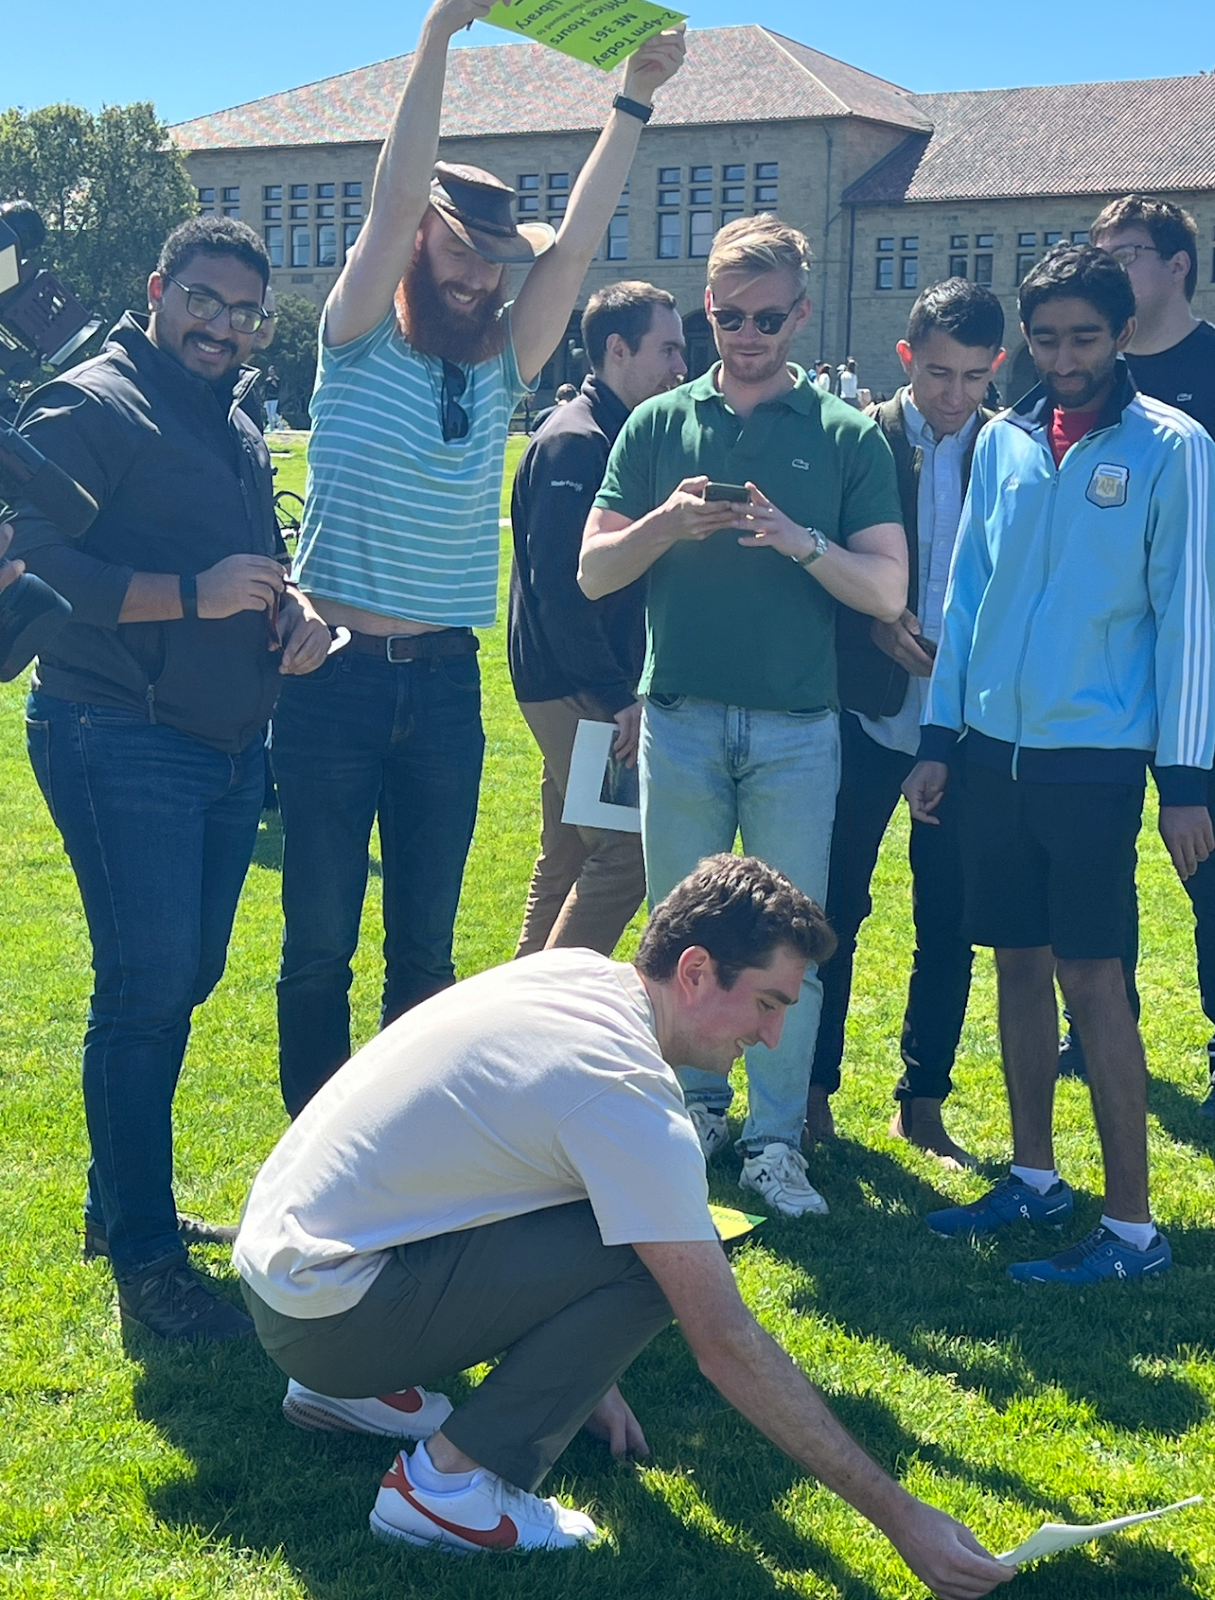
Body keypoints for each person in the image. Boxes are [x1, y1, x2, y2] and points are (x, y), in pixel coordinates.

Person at [234, 853, 1013, 1595]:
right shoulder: (624, 1092)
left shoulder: (574, 972)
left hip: (287, 1279)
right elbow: (726, 1342)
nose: (771, 1036)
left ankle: (358, 1393)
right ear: (696, 970)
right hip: (331, 1316)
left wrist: (578, 1369)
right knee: (660, 1260)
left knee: (627, 1220)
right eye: (769, 1003)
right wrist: (901, 1518)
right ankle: (447, 1490)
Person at [271, 0, 686, 1118]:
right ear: (415, 246)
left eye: (495, 261)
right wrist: (441, 35)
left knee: (423, 952)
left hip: (444, 689)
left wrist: (634, 98)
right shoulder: (353, 339)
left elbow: (586, 245)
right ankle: (313, 1148)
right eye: (460, 251)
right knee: (317, 944)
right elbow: (396, 194)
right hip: (331, 679)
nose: (478, 278)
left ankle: (402, 1152)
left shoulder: (500, 361)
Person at [9, 215, 332, 1340]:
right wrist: (192, 595)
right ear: (158, 288)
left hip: (226, 737)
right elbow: (26, 556)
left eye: (245, 312)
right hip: (117, 728)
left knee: (182, 973)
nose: (223, 326)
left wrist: (290, 613)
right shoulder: (94, 403)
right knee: (146, 985)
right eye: (204, 300)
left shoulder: (232, 414)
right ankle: (142, 1252)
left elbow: (254, 557)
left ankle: (120, 1201)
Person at [580, 215, 906, 1217]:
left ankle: (774, 1139)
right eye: (727, 316)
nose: (747, 335)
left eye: (767, 317)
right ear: (705, 309)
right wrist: (667, 522)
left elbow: (888, 591)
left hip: (795, 729)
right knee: (675, 930)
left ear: (801, 314)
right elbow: (594, 571)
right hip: (677, 717)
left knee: (787, 941)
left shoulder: (845, 433)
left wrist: (801, 540)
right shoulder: (657, 424)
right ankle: (689, 1108)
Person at [903, 244, 1215, 1285]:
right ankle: (1034, 1174)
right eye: (1047, 339)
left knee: (1095, 976)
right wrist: (941, 739)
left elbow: (1187, 623)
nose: (1066, 357)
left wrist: (1186, 782)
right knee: (1018, 963)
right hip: (993, 753)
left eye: (1086, 337)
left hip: (1096, 760)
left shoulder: (1173, 446)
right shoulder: (1003, 441)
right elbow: (969, 602)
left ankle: (1131, 1228)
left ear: (1123, 334)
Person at [811, 279, 1005, 1163]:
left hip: (961, 725)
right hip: (862, 711)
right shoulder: (857, 437)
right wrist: (870, 622)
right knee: (831, 907)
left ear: (996, 367)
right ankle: (812, 1095)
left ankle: (921, 1102)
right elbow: (814, 564)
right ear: (903, 359)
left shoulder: (1010, 447)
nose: (952, 395)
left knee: (949, 916)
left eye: (970, 376)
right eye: (935, 373)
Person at [509, 281, 686, 957]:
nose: (680, 366)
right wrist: (615, 698)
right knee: (625, 853)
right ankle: (550, 1015)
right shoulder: (576, 444)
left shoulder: (609, 432)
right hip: (573, 686)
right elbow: (562, 591)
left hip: (579, 681)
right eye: (667, 349)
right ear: (617, 350)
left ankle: (513, 1018)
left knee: (563, 858)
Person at [1089, 194, 1215, 1116]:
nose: (1107, 268)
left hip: (1200, 654)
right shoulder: (1081, 368)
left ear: (1176, 264)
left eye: (1123, 253)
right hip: (1098, 655)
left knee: (1206, 859)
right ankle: (1098, 1021)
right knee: (1096, 849)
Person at [262, 364, 281, 430]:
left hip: (274, 399)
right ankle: (271, 427)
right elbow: (265, 390)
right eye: (269, 371)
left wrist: (274, 382)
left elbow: (278, 388)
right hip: (267, 399)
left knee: (273, 413)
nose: (270, 373)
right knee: (269, 415)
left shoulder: (277, 380)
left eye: (272, 371)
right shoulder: (267, 381)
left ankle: (280, 426)